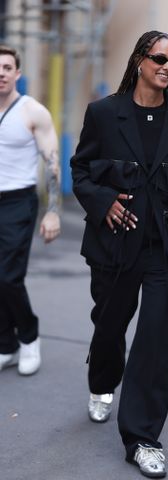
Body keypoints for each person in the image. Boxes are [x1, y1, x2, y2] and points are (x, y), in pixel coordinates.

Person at [71, 31, 168, 478]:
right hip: (115, 243)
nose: (167, 66)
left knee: (157, 341)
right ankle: (102, 382)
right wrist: (103, 200)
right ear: (140, 60)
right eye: (160, 58)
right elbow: (81, 170)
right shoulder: (105, 114)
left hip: (166, 249)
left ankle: (142, 438)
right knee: (109, 327)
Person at [0, 45, 61, 376]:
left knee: (8, 277)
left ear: (17, 74)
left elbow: (52, 163)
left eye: (7, 67)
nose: (1, 73)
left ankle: (29, 337)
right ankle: (5, 345)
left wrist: (52, 211)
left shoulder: (32, 112)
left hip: (17, 201)